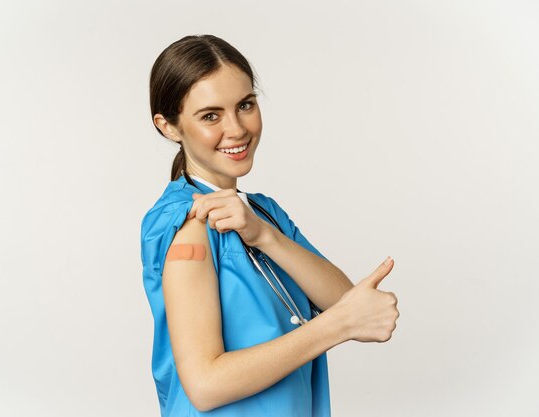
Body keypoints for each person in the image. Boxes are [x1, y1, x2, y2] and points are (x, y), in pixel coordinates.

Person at [141, 34, 399, 417]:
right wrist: (336, 327)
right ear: (169, 127)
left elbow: (346, 301)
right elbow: (204, 385)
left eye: (245, 105)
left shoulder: (264, 215)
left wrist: (265, 237)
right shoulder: (189, 226)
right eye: (210, 115)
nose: (237, 128)